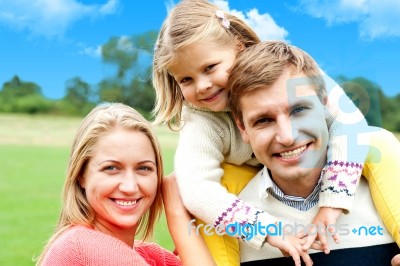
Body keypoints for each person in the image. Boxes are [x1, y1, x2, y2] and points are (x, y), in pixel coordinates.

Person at [152, 0, 400, 265]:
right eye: (186, 80)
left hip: (321, 159)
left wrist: (332, 202)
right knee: (211, 186)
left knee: (378, 142)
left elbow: (349, 120)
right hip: (256, 185)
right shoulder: (201, 121)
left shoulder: (287, 68)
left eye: (210, 68)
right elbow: (197, 189)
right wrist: (267, 229)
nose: (202, 86)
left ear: (239, 47)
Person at [227, 40, 400, 265]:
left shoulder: (389, 192)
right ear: (243, 129)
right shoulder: (230, 220)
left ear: (325, 105)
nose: (287, 136)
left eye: (299, 110)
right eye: (264, 120)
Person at [35, 103, 215, 266]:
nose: (130, 187)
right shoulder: (84, 247)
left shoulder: (150, 256)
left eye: (143, 168)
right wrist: (176, 214)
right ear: (81, 175)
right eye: (111, 168)